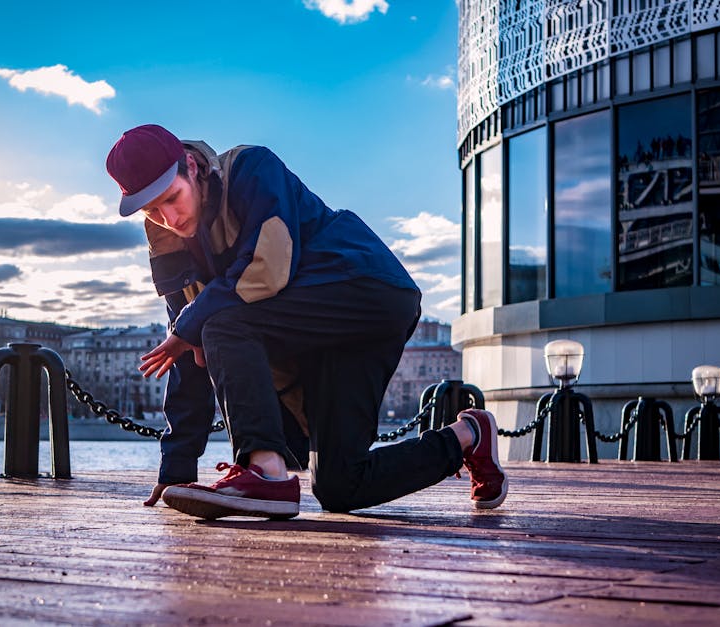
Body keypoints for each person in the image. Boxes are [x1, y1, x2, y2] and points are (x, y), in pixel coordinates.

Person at [105, 124, 508, 519]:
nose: (169, 218)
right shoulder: (168, 243)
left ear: (191, 166)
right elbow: (188, 351)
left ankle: (265, 472)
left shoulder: (250, 168)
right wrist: (176, 468)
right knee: (340, 485)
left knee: (221, 322)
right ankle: (469, 437)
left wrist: (191, 325)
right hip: (317, 337)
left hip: (366, 290)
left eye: (173, 198)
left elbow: (268, 267)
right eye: (152, 211)